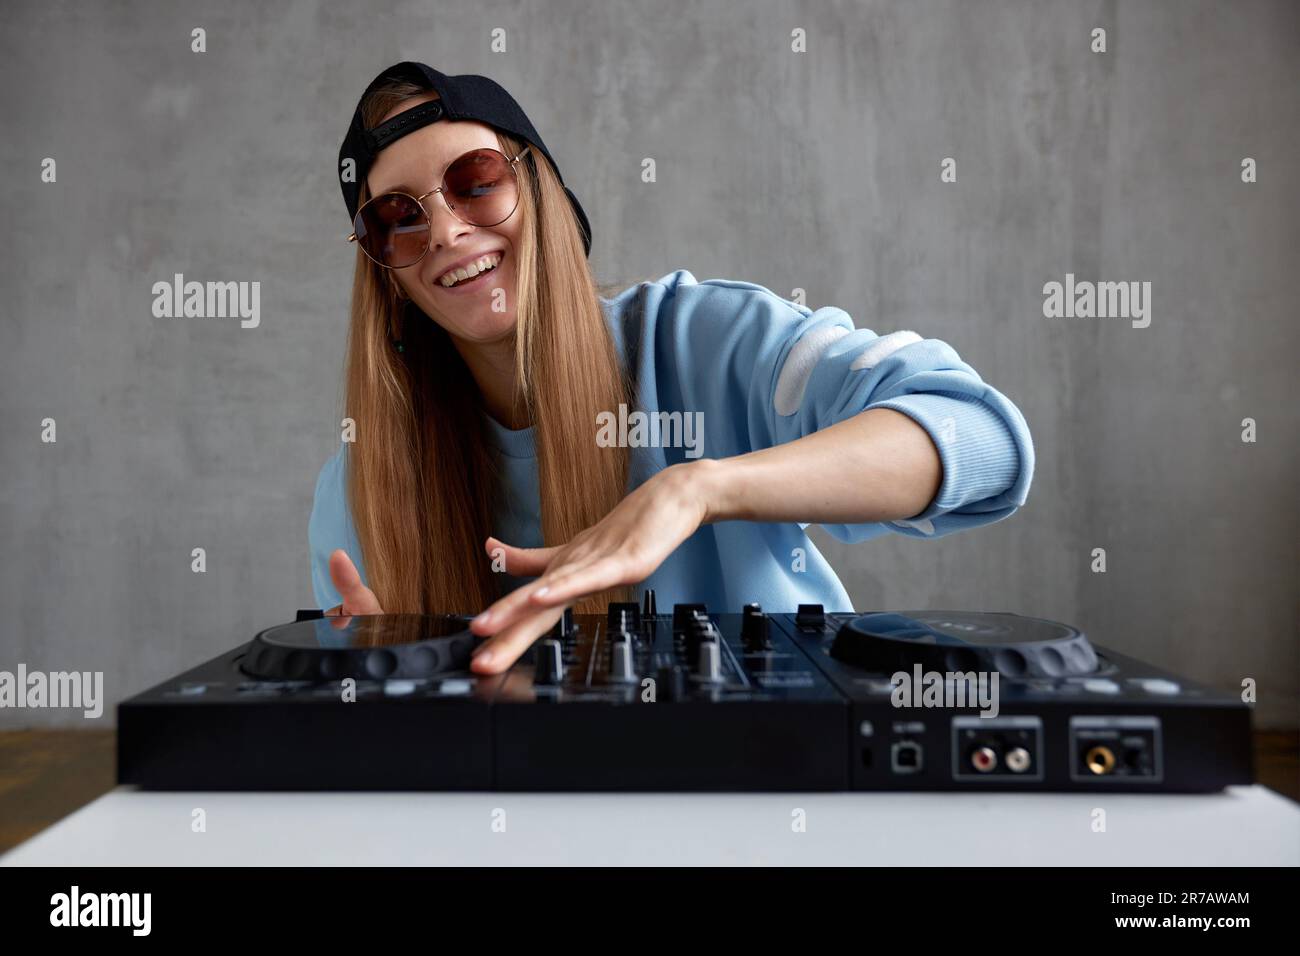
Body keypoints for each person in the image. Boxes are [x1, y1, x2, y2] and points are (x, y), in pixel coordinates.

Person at [310, 63, 1035, 676]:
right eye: (397, 217)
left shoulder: (708, 340)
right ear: (385, 275)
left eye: (475, 182)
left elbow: (983, 440)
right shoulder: (361, 486)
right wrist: (391, 697)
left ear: (545, 195)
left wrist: (699, 490)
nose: (443, 231)